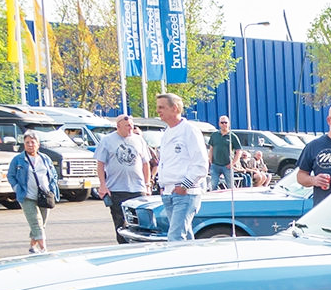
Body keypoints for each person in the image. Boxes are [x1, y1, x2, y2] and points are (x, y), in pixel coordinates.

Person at [154, 92, 209, 242]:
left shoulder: (189, 130)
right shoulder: (166, 133)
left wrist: (184, 185)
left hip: (185, 192)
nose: (158, 111)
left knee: (175, 236)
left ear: (175, 108)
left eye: (162, 107)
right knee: (184, 234)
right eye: (158, 107)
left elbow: (201, 163)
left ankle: (177, 263)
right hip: (169, 192)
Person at [95, 113, 153, 243]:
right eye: (127, 126)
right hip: (117, 189)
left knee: (140, 221)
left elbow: (146, 164)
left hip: (138, 188)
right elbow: (100, 164)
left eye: (132, 126)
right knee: (120, 222)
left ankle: (139, 245)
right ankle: (123, 246)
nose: (130, 129)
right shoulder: (107, 140)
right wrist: (103, 185)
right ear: (118, 126)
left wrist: (147, 184)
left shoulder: (139, 140)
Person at [7, 131, 60, 254]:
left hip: (44, 195)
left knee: (42, 222)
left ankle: (32, 246)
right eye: (27, 142)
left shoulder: (45, 158)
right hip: (27, 196)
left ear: (38, 144)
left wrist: (52, 188)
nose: (30, 145)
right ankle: (44, 249)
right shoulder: (18, 159)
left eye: (32, 142)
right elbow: (11, 175)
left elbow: (53, 174)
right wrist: (16, 188)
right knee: (36, 223)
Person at [207, 117, 242, 190]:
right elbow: (211, 148)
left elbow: (239, 151)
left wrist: (233, 163)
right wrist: (210, 160)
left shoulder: (233, 136)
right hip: (215, 165)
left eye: (225, 122)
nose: (224, 124)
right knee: (213, 186)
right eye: (222, 122)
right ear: (219, 124)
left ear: (229, 124)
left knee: (230, 186)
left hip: (227, 166)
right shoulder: (214, 135)